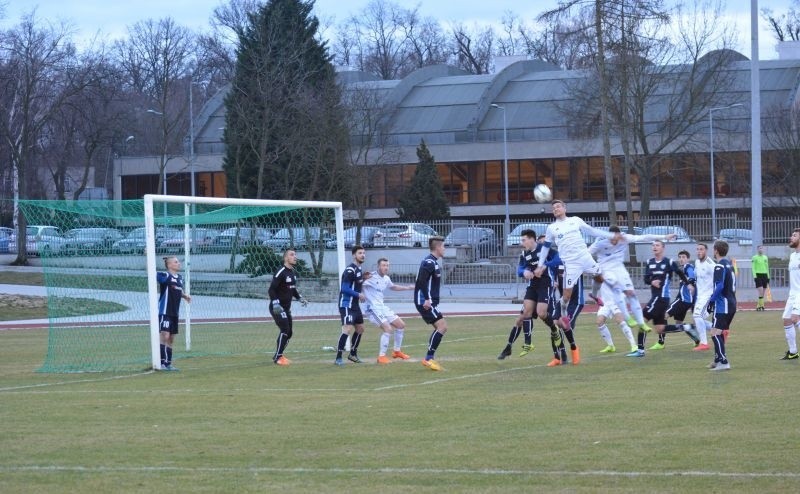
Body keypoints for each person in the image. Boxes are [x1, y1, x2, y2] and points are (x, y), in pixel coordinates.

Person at [533, 200, 619, 329]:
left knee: (600, 277)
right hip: (571, 264)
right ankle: (564, 314)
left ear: (564, 208)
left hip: (585, 257)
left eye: (558, 207)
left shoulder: (575, 220)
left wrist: (610, 235)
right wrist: (540, 265)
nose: (555, 209)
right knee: (566, 297)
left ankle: (594, 295)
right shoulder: (551, 228)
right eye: (553, 208)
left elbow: (591, 231)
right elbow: (546, 247)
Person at [588, 225, 677, 338]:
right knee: (616, 288)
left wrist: (664, 236)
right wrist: (593, 267)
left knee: (631, 293)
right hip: (605, 269)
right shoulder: (600, 243)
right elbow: (586, 254)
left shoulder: (625, 238)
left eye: (616, 238)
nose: (614, 241)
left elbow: (644, 237)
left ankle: (641, 322)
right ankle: (627, 317)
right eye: (612, 238)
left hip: (619, 268)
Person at [498, 231, 558, 360]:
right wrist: (524, 272)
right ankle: (515, 345)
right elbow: (519, 269)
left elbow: (558, 259)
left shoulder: (544, 249)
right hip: (533, 286)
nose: (522, 243)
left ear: (532, 239)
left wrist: (545, 266)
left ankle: (554, 331)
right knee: (523, 316)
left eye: (524, 240)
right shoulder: (524, 253)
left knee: (542, 314)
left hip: (545, 284)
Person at [626, 240, 687, 357]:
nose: (654, 247)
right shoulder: (650, 262)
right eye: (653, 245)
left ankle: (640, 350)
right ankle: (688, 327)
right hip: (657, 299)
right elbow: (646, 279)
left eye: (657, 245)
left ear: (663, 248)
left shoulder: (668, 262)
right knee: (660, 328)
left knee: (641, 320)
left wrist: (688, 283)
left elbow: (679, 272)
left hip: (661, 298)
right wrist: (652, 281)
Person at [362, 257, 414, 364]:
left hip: (381, 307)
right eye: (383, 265)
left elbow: (393, 287)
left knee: (401, 325)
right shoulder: (370, 277)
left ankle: (396, 351)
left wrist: (408, 287)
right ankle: (381, 357)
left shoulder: (386, 278)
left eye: (387, 265)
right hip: (372, 309)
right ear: (378, 266)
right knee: (388, 329)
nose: (386, 267)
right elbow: (357, 283)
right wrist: (362, 279)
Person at [268, 249, 308, 366]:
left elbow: (292, 289)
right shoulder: (281, 271)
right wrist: (275, 303)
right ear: (286, 258)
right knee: (285, 329)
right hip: (277, 307)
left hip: (286, 308)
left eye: (295, 255)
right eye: (292, 255)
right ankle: (278, 357)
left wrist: (300, 298)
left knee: (289, 333)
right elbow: (271, 289)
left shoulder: (293, 273)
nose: (295, 257)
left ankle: (278, 355)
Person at [334, 245, 370, 366]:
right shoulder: (350, 270)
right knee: (347, 329)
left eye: (364, 253)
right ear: (354, 255)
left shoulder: (358, 270)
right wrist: (358, 294)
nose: (363, 255)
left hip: (354, 305)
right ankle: (338, 357)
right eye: (360, 253)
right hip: (346, 304)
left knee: (360, 329)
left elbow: (356, 283)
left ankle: (353, 354)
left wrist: (363, 278)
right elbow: (344, 288)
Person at [544, 251, 582, 366]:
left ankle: (574, 348)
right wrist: (553, 283)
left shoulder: (577, 265)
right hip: (562, 301)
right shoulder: (558, 264)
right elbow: (553, 278)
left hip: (575, 302)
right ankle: (558, 356)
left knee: (563, 324)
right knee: (553, 324)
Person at [415, 236, 447, 371]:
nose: (445, 249)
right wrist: (427, 299)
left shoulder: (433, 262)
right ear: (438, 247)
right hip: (424, 302)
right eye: (444, 246)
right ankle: (428, 358)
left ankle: (430, 358)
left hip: (427, 301)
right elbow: (421, 281)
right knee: (442, 326)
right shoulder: (429, 262)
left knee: (439, 327)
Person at [156, 256, 191, 371]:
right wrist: (147, 258)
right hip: (165, 311)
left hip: (174, 313)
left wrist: (184, 295)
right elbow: (151, 273)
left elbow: (177, 289)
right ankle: (161, 363)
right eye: (176, 262)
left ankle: (169, 364)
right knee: (164, 335)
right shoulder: (165, 276)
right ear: (169, 265)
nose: (178, 264)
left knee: (171, 338)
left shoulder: (180, 278)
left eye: (178, 262)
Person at [660, 250, 701, 347]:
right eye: (680, 257)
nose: (681, 259)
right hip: (687, 302)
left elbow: (692, 277)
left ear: (688, 258)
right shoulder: (684, 269)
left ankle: (661, 342)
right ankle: (696, 338)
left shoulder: (688, 267)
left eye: (683, 257)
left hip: (682, 300)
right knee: (678, 324)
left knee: (663, 316)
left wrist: (690, 282)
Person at [707, 240, 736, 371]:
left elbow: (719, 285)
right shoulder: (729, 265)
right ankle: (718, 359)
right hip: (731, 303)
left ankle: (723, 362)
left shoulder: (719, 266)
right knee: (718, 331)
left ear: (716, 251)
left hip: (722, 304)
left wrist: (712, 301)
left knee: (714, 333)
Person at [690, 243, 717, 351]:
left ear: (706, 251)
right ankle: (720, 330)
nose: (699, 251)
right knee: (698, 319)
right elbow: (697, 277)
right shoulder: (696, 262)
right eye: (697, 249)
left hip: (708, 296)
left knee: (697, 316)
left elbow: (718, 280)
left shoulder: (711, 264)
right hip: (700, 296)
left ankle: (704, 343)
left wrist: (715, 296)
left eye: (701, 249)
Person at [780, 229, 800, 360]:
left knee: (795, 318)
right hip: (793, 293)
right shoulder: (793, 256)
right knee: (786, 320)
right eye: (792, 235)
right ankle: (793, 352)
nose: (791, 237)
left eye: (794, 235)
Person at [752, 245, 770, 311]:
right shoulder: (754, 257)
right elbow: (753, 267)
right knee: (761, 290)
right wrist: (755, 276)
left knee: (763, 292)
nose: (761, 249)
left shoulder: (765, 257)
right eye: (759, 248)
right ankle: (762, 306)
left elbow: (767, 267)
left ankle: (758, 306)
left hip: (765, 275)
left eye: (762, 248)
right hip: (758, 275)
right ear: (757, 249)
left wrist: (768, 276)